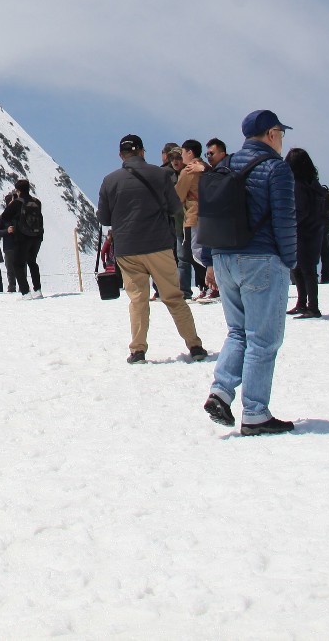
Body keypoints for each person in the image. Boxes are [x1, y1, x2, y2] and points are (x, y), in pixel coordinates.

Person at [202, 111, 299, 435]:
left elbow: (208, 214)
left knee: (238, 332)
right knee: (263, 338)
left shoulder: (224, 166)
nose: (282, 139)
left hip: (224, 258)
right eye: (280, 133)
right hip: (261, 259)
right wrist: (290, 260)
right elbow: (284, 219)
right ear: (271, 133)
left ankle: (220, 391)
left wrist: (209, 260)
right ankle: (256, 413)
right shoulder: (276, 168)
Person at [97, 133, 205, 363]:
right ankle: (194, 345)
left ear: (120, 155)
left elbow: (104, 217)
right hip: (158, 244)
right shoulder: (159, 174)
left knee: (138, 299)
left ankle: (138, 350)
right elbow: (175, 207)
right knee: (174, 297)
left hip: (127, 249)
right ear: (143, 151)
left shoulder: (109, 180)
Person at [287, 148, 326, 317]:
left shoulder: (297, 184)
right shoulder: (313, 182)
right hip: (315, 229)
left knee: (304, 269)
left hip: (302, 231)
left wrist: (288, 225)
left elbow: (299, 211)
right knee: (305, 268)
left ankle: (311, 306)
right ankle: (304, 303)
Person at [0, 180, 45, 295]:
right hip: (37, 236)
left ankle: (25, 292)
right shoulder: (37, 202)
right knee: (32, 262)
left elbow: (4, 217)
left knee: (18, 264)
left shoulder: (17, 203)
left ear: (18, 190)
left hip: (22, 237)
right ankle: (38, 289)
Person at [175, 141, 206, 299]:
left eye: (183, 152)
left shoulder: (188, 171)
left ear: (190, 153)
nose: (181, 156)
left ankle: (209, 284)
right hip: (209, 215)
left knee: (195, 253)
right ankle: (207, 286)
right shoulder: (205, 167)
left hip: (193, 215)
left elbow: (178, 195)